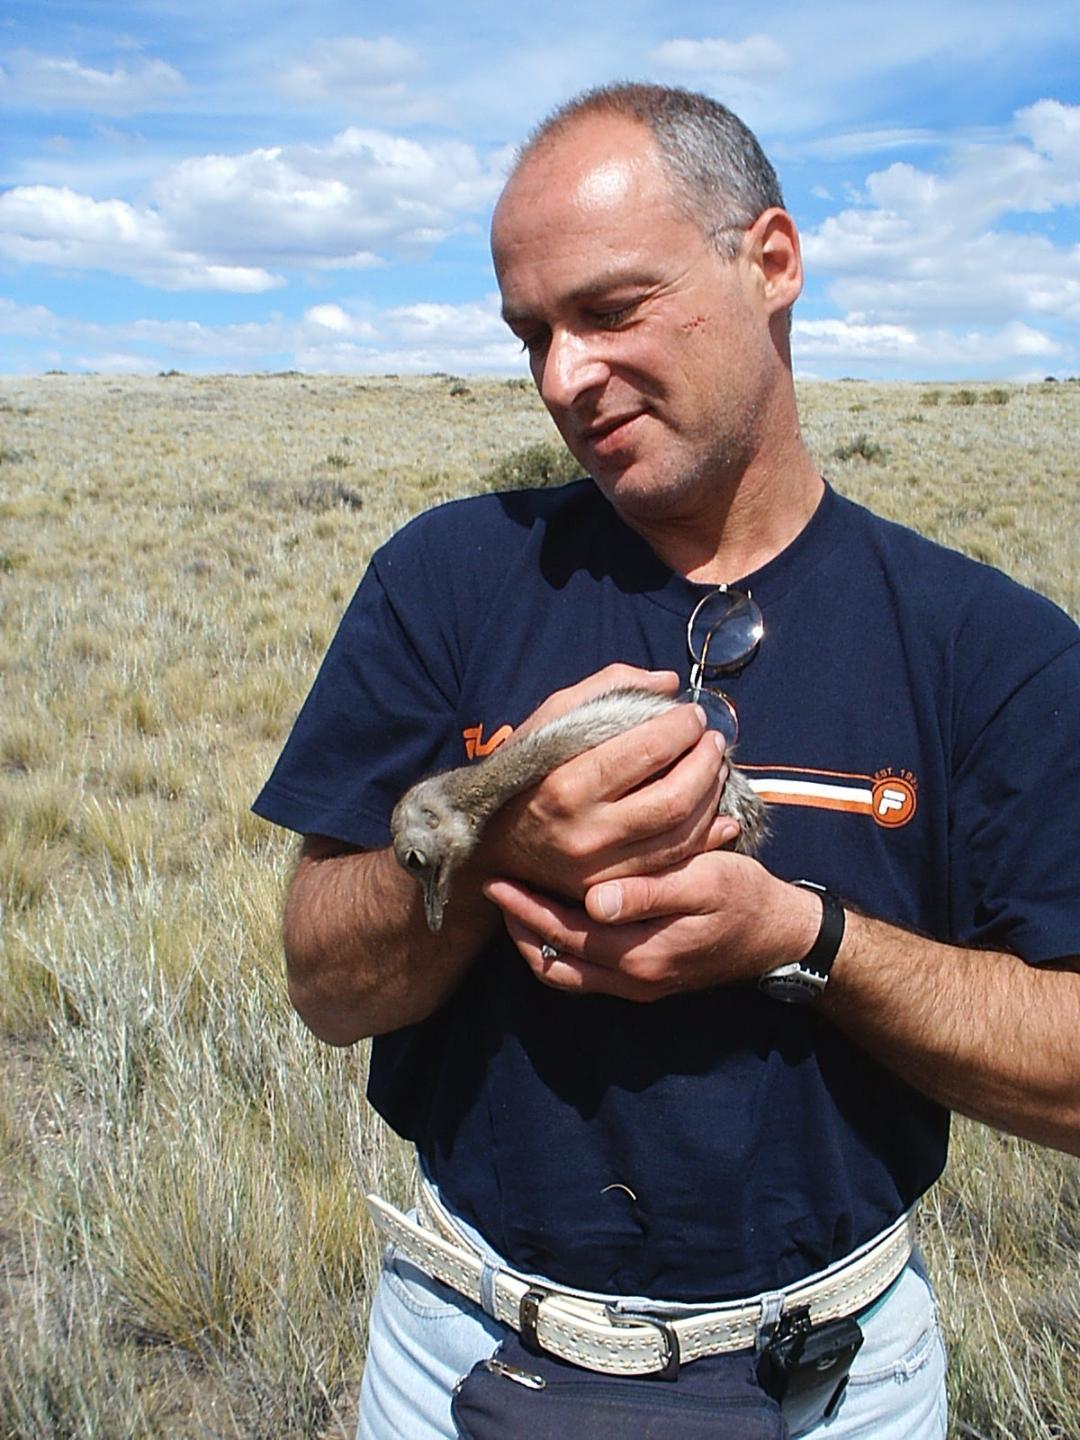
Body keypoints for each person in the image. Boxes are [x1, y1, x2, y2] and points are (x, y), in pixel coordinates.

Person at [253, 83, 1080, 1439]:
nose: (563, 378)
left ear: (772, 262)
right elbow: (326, 985)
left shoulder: (989, 648)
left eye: (611, 309)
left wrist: (804, 940)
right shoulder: (444, 580)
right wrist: (497, 832)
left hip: (836, 1382)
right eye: (533, 334)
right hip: (463, 1342)